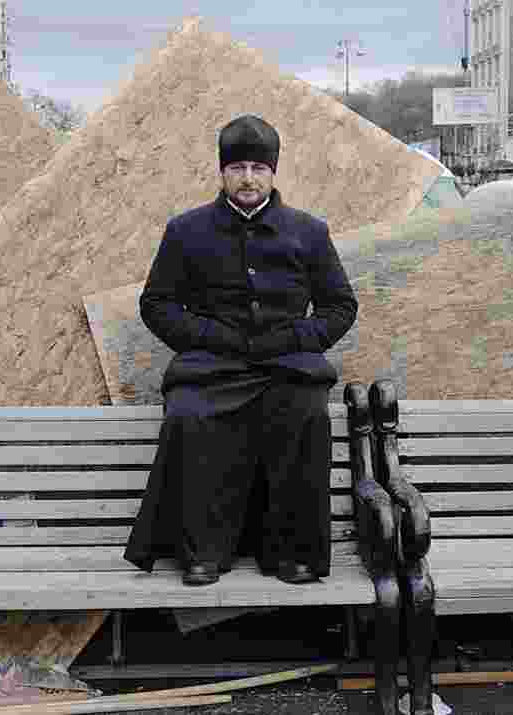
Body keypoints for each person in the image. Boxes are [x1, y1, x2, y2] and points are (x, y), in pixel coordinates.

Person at [123, 115, 359, 587]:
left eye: (257, 167)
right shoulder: (186, 230)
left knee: (306, 415)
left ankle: (294, 553)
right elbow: (156, 304)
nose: (247, 178)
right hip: (212, 364)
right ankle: (202, 553)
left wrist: (293, 338)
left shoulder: (308, 232)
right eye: (237, 168)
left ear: (273, 172)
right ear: (222, 172)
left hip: (289, 364)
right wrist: (210, 335)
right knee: (189, 416)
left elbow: (340, 306)